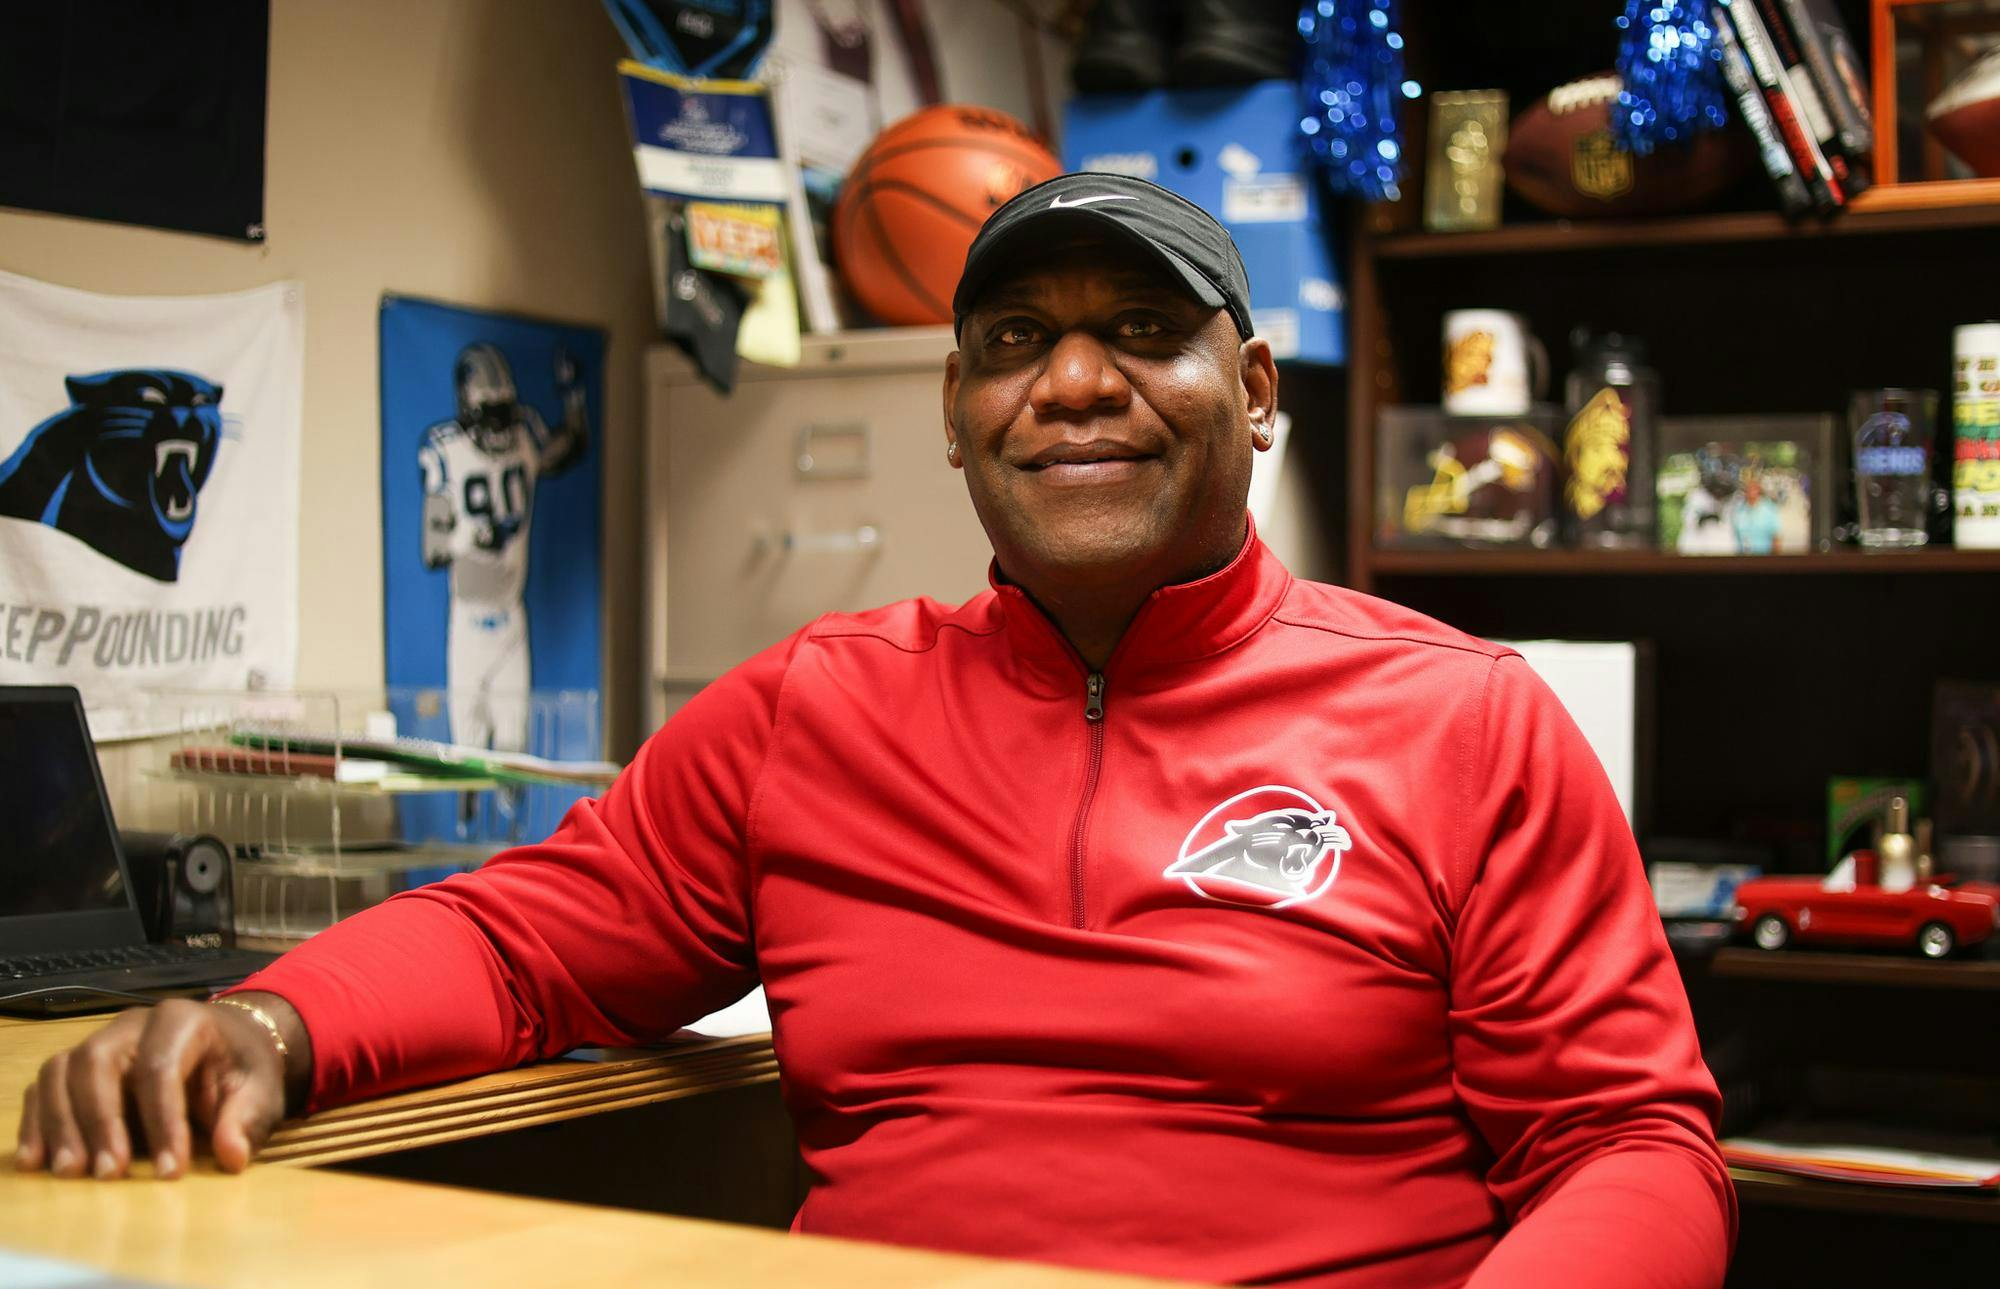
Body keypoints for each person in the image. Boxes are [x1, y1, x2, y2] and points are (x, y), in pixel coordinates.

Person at [15, 174, 1734, 1289]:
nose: (1071, 381)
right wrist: (264, 1022)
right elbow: (529, 935)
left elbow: (1632, 1149)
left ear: (1260, 389)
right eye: (1013, 343)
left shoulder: (1460, 718)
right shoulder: (810, 707)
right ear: (957, 413)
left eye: (1143, 332)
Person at [419, 341, 588, 755]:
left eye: (502, 413)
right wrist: (470, 539)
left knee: (515, 745)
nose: (498, 428)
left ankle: (514, 823)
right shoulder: (445, 451)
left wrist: (574, 396)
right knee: (468, 750)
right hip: (469, 619)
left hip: (511, 616)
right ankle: (467, 820)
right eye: (488, 415)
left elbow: (570, 449)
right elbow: (433, 550)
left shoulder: (525, 432)